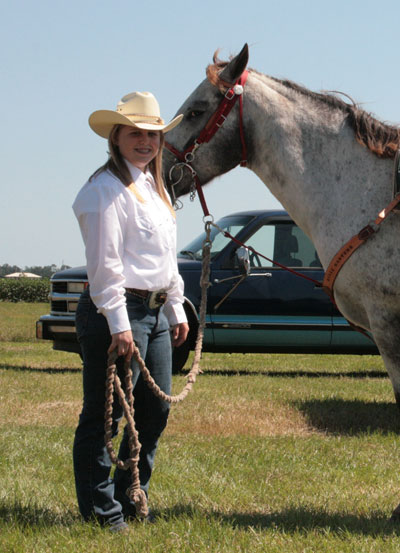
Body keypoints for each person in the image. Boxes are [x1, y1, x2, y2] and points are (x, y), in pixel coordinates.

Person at [72, 91, 188, 532]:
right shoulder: (104, 190)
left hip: (155, 313)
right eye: (135, 133)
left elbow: (164, 259)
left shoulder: (155, 189)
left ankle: (129, 493)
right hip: (118, 311)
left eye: (152, 134)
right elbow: (106, 265)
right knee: (105, 414)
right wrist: (119, 323)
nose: (145, 141)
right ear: (116, 137)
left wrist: (175, 307)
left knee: (154, 411)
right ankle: (103, 512)